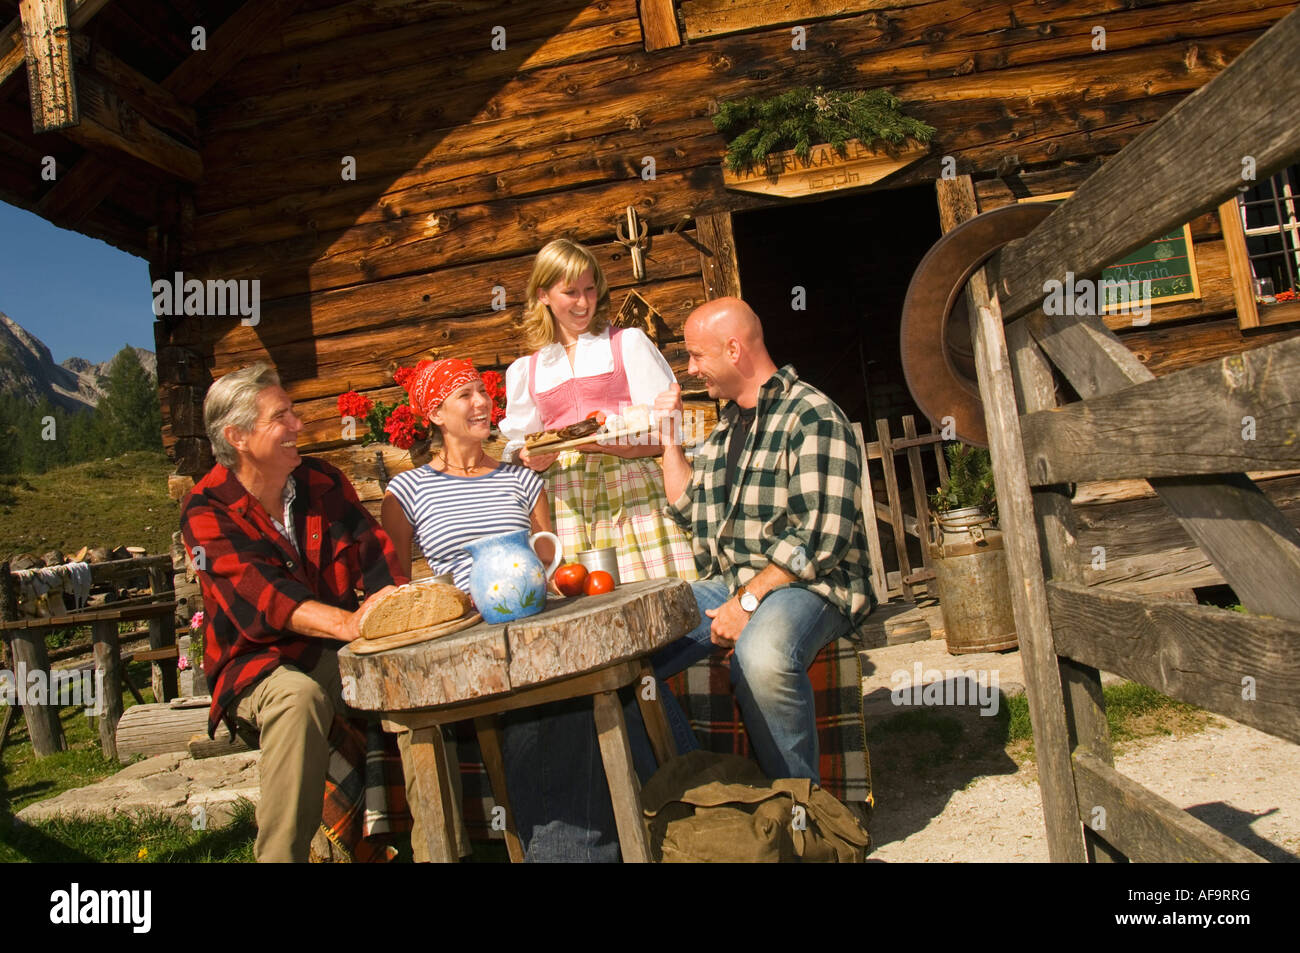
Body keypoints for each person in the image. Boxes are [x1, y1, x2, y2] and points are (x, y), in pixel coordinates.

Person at [382, 358, 655, 862]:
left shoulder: (520, 479)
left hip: (533, 625)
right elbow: (396, 588)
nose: (482, 403)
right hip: (466, 638)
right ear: (436, 414)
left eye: (482, 391)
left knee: (581, 687)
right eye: (465, 395)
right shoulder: (407, 491)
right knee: (555, 700)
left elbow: (548, 560)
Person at [181, 363, 408, 862]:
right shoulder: (206, 508)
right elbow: (268, 598)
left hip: (330, 646)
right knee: (298, 699)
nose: (298, 425)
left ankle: (430, 836)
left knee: (406, 675)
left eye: (293, 412)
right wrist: (350, 624)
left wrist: (397, 611)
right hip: (256, 662)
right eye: (280, 416)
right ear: (237, 436)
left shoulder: (322, 480)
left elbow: (375, 554)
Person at [652, 297, 876, 783]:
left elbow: (819, 538)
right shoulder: (726, 429)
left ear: (734, 349)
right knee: (637, 642)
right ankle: (693, 786)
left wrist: (748, 601)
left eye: (697, 356)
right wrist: (670, 438)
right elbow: (687, 507)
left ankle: (802, 817)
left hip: (812, 587)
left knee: (764, 655)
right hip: (732, 581)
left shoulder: (812, 416)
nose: (691, 370)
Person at [499, 237, 695, 583]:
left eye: (590, 289)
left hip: (630, 490)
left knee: (651, 595)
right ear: (543, 295)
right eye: (570, 292)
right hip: (564, 502)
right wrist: (529, 456)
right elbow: (517, 446)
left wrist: (626, 445)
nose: (583, 302)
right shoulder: (526, 370)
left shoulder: (627, 343)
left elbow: (672, 432)